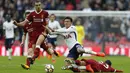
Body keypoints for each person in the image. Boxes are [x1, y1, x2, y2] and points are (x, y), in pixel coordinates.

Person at [13, 1, 51, 65]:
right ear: (34, 6)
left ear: (41, 5)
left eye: (39, 5)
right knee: (31, 51)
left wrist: (45, 32)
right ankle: (28, 64)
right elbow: (24, 24)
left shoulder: (45, 13)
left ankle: (34, 57)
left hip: (42, 33)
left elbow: (47, 24)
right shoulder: (31, 14)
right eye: (36, 5)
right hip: (33, 36)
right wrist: (17, 24)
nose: (38, 6)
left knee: (38, 44)